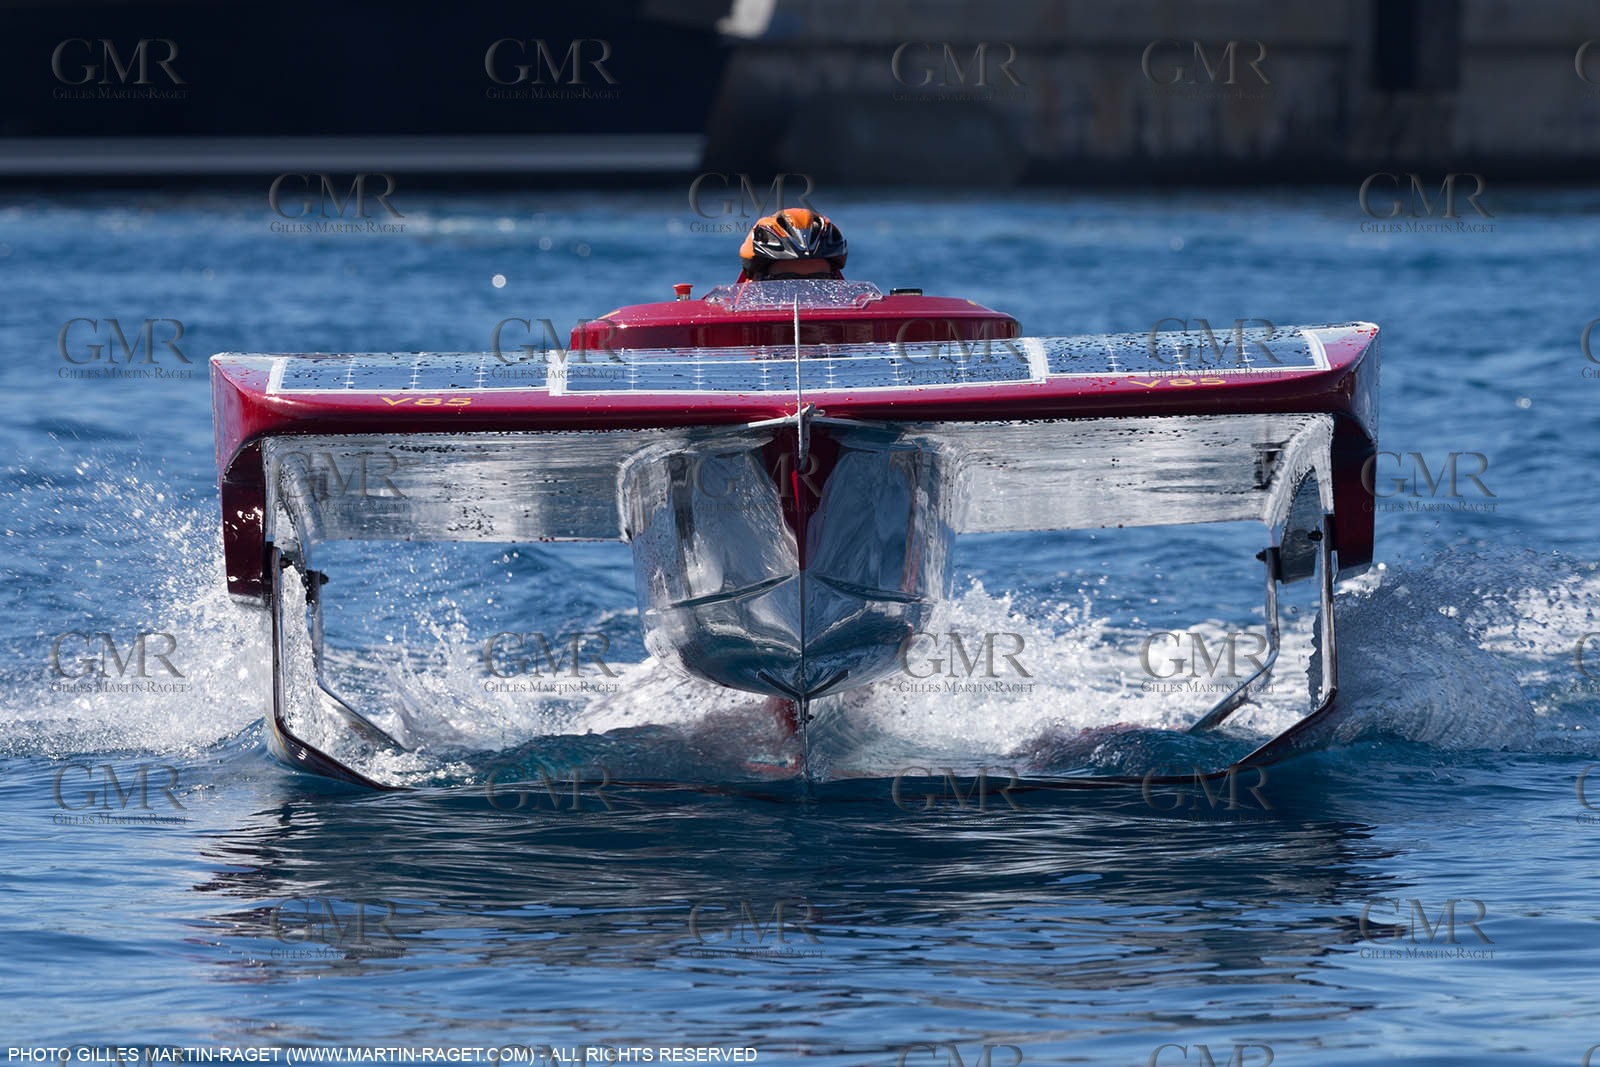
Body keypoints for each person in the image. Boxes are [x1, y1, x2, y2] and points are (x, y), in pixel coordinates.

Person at [737, 208, 848, 281]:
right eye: (786, 281)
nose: (805, 295)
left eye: (820, 281)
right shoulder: (730, 310)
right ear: (756, 282)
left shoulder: (853, 310)